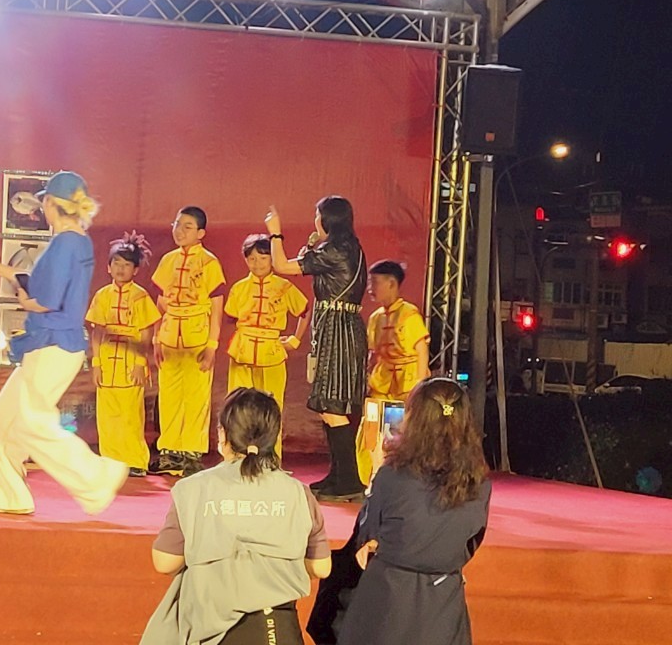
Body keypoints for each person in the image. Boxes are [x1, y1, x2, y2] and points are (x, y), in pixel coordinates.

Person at [0, 171, 129, 515]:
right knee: (6, 417)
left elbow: (44, 299)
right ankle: (3, 494)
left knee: (31, 422)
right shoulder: (77, 241)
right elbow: (42, 285)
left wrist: (25, 301)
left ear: (51, 203)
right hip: (56, 344)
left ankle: (96, 476)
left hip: (51, 345)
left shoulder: (64, 244)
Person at [141, 387, 331, 645]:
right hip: (276, 628)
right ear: (275, 436)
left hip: (209, 629)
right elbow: (321, 567)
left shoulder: (193, 488)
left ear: (223, 434)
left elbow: (165, 562)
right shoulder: (298, 493)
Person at [338, 377, 491, 645]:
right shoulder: (478, 484)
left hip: (388, 600)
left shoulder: (392, 476)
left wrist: (376, 475)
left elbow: (367, 532)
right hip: (444, 598)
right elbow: (471, 542)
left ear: (414, 418)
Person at [265, 197, 367, 502]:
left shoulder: (335, 250)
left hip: (338, 331)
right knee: (329, 406)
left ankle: (348, 481)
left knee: (333, 405)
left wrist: (275, 233)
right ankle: (339, 475)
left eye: (317, 215)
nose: (315, 221)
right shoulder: (345, 247)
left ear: (328, 220)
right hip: (339, 328)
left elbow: (281, 266)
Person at [151, 207, 226, 476]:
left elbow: (217, 307)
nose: (180, 231)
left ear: (201, 233)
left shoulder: (209, 262)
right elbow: (160, 303)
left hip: (197, 335)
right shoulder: (168, 260)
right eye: (177, 224)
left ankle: (192, 451)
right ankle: (170, 450)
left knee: (196, 396)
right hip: (170, 335)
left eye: (188, 226)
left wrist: (212, 345)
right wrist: (156, 338)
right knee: (169, 395)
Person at [223, 233, 310, 465]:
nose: (258, 263)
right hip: (242, 351)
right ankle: (235, 457)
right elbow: (230, 317)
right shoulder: (239, 288)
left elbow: (304, 311)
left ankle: (270, 459)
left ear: (272, 259)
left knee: (272, 406)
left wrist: (295, 340)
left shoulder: (284, 287)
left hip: (271, 351)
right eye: (252, 259)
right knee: (238, 404)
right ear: (245, 260)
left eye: (263, 258)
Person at [86, 231, 161, 476]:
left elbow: (146, 332)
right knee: (107, 416)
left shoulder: (140, 296)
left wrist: (140, 362)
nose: (120, 268)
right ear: (108, 267)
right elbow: (97, 331)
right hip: (108, 363)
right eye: (116, 263)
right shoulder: (102, 296)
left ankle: (135, 461)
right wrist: (96, 363)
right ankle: (110, 461)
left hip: (130, 363)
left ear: (135, 270)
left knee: (131, 415)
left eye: (127, 264)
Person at [355, 260, 430, 483]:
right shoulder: (376, 317)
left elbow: (421, 349)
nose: (370, 288)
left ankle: (400, 479)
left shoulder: (409, 314)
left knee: (400, 434)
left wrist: (420, 383)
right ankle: (369, 477)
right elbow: (372, 352)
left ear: (391, 283)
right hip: (381, 382)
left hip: (406, 384)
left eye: (375, 282)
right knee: (369, 430)